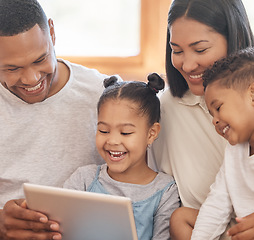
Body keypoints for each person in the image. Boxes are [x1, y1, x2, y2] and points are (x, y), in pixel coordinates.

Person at [147, 0, 254, 239]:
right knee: (179, 217)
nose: (188, 64)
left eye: (201, 49)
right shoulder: (164, 111)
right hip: (216, 231)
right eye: (177, 50)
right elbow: (216, 204)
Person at [0, 0, 120, 239]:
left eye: (39, 59)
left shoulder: (104, 94)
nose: (31, 79)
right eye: (12, 68)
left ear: (52, 33)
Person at [63, 74, 181, 240]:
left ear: (151, 133)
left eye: (125, 132)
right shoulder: (84, 179)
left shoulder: (165, 190)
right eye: (103, 131)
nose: (112, 141)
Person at [190, 48, 254, 239]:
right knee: (181, 218)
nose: (215, 120)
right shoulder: (235, 151)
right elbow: (217, 204)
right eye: (212, 114)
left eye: (218, 108)